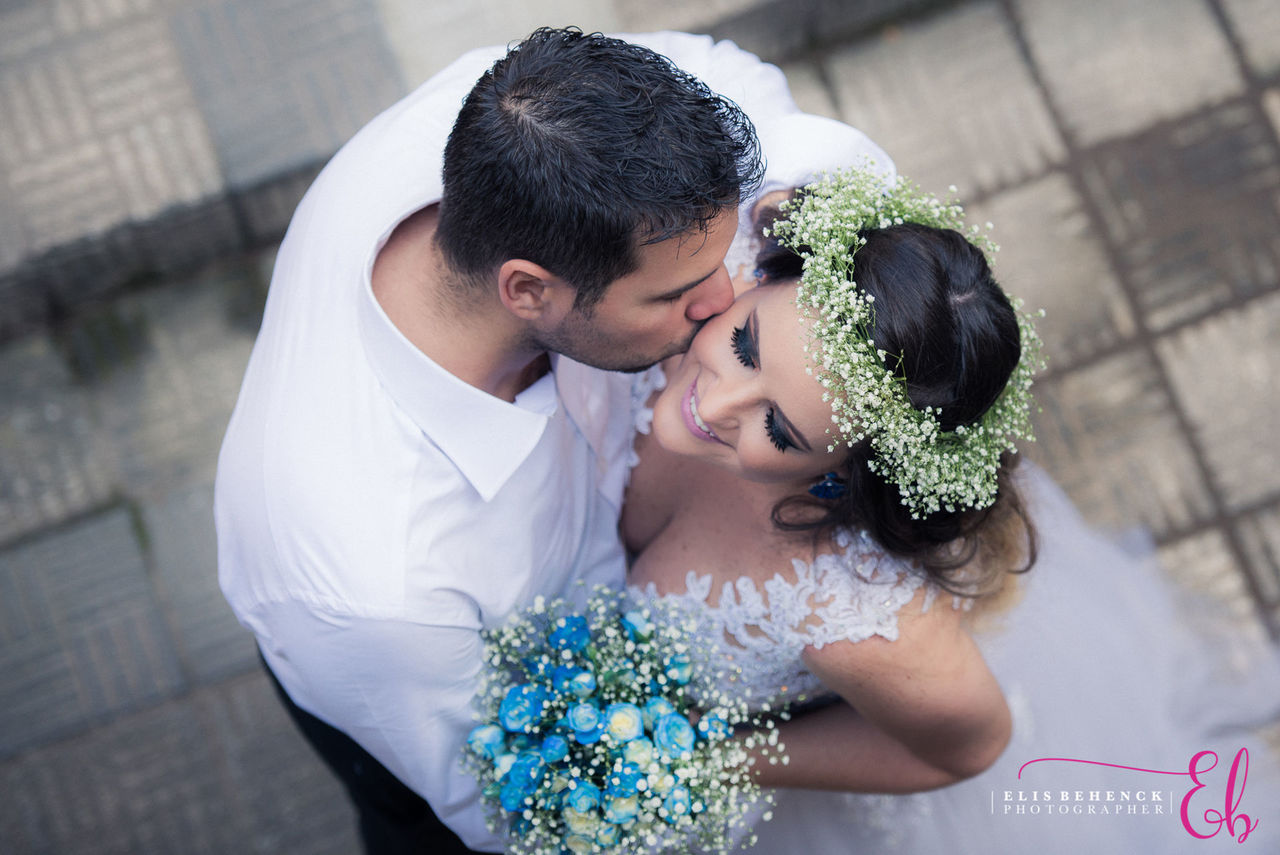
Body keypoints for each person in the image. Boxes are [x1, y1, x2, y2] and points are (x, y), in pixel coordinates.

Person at [214, 27, 831, 854]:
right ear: (530, 291)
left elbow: (725, 73)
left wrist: (819, 216)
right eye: (678, 291)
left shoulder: (530, 120)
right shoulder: (380, 584)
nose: (726, 300)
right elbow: (517, 807)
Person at [622, 141, 1280, 851]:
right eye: (746, 346)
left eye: (778, 427)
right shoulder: (713, 269)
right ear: (761, 278)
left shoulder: (854, 615)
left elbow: (966, 747)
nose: (716, 402)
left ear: (843, 469)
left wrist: (730, 757)